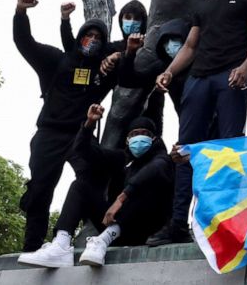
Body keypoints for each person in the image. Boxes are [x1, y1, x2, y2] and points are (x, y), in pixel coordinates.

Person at [148, 0, 247, 246]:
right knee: (184, 150)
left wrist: (245, 68)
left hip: (231, 77)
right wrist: (170, 72)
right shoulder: (204, 5)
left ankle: (225, 222)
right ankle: (177, 223)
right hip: (199, 78)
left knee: (229, 151)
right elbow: (189, 47)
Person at [12, 0, 126, 252]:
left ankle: (95, 238)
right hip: (49, 134)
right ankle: (32, 248)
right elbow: (24, 42)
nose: (93, 41)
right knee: (40, 189)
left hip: (81, 136)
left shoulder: (103, 69)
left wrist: (117, 56)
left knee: (91, 183)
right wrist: (20, 12)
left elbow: (133, 46)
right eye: (89, 35)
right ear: (79, 38)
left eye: (99, 38)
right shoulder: (56, 60)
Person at [17, 104, 173, 268]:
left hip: (144, 229)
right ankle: (61, 244)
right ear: (127, 139)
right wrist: (89, 125)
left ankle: (103, 240)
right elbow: (86, 153)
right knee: (81, 186)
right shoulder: (122, 159)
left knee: (144, 187)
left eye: (144, 134)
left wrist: (122, 197)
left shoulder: (163, 160)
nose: (139, 139)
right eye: (134, 134)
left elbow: (156, 169)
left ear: (154, 138)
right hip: (113, 226)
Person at [61, 0, 160, 142]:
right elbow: (75, 53)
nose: (131, 22)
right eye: (128, 17)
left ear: (144, 21)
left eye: (136, 18)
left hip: (150, 105)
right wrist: (65, 20)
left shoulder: (150, 46)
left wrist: (122, 54)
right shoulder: (112, 47)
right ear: (121, 20)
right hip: (118, 113)